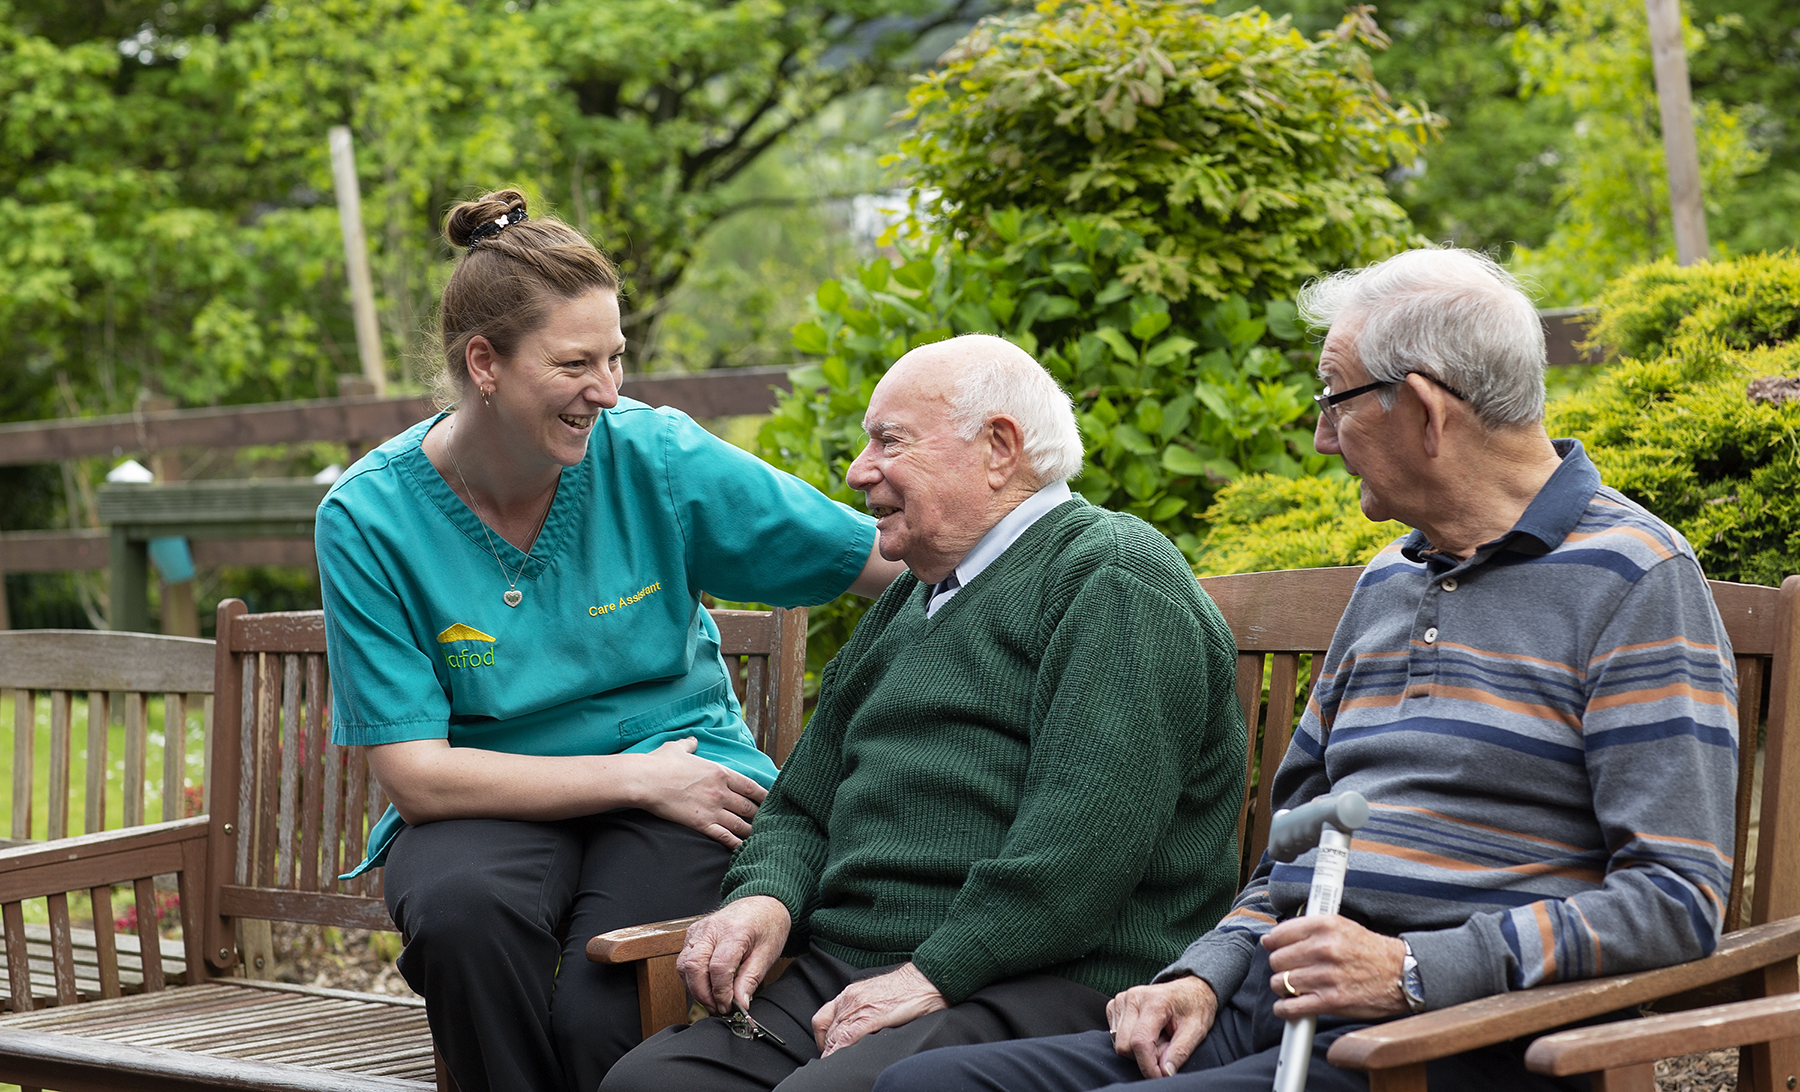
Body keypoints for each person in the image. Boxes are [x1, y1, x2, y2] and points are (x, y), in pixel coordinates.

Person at [870, 248, 1739, 1092]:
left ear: (1427, 409)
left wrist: (1409, 967)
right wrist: (1203, 973)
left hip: (1450, 1039)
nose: (1323, 437)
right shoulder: (1391, 580)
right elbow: (1292, 850)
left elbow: (1675, 899)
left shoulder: (1635, 577)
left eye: (1337, 401)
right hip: (1278, 1012)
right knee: (925, 1084)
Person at [314, 190, 904, 1092]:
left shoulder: (655, 457)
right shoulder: (370, 517)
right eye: (575, 363)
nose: (609, 390)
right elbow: (417, 775)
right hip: (494, 792)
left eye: (617, 357)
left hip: (686, 785)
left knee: (607, 1006)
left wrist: (1047, 588)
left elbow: (877, 559)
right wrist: (641, 777)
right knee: (461, 916)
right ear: (486, 363)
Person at [600, 335, 1247, 1092]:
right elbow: (803, 802)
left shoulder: (1111, 577)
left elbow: (1080, 856)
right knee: (650, 1085)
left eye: (889, 442)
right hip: (857, 967)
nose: (858, 470)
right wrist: (764, 897)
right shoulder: (915, 596)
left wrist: (934, 973)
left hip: (1048, 981)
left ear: (999, 447)